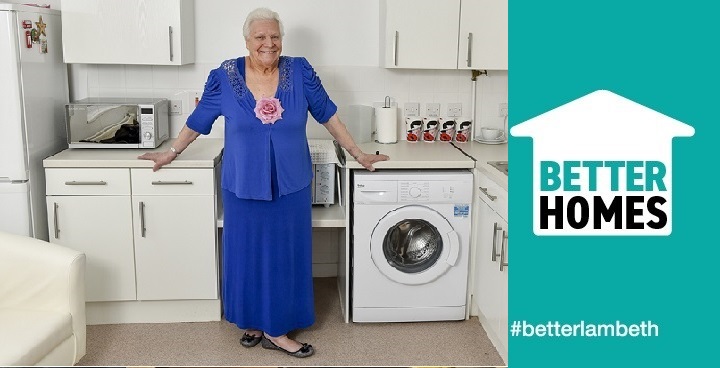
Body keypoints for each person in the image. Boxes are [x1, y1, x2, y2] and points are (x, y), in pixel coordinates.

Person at [138, 7, 388, 359]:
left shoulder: (300, 71)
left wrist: (358, 153)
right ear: (247, 41)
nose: (269, 44)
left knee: (285, 255)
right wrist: (171, 152)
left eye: (275, 37)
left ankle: (278, 330)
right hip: (243, 183)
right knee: (246, 253)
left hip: (291, 183)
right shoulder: (224, 76)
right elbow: (199, 119)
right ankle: (253, 321)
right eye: (260, 37)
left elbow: (328, 114)